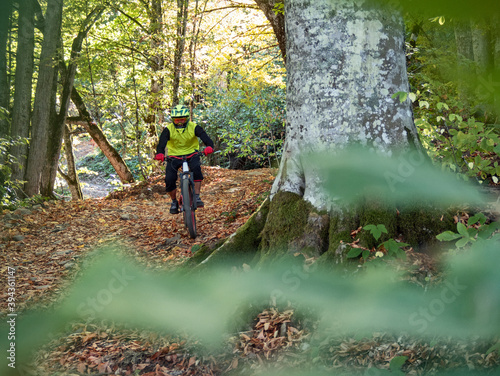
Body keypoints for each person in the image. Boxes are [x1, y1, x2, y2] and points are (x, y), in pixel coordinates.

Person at [154, 104, 214, 214]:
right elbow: (161, 144)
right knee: (169, 178)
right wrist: (160, 154)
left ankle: (196, 196)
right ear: (173, 120)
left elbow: (205, 137)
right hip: (174, 156)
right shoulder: (168, 129)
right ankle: (173, 201)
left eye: (182, 119)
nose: (180, 122)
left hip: (192, 154)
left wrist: (209, 146)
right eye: (177, 120)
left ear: (186, 118)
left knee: (196, 169)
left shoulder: (193, 127)